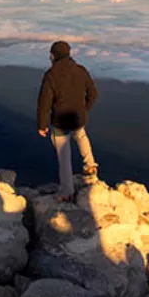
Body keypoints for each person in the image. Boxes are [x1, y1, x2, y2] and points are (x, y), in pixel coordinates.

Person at [37, 40, 100, 202]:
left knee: (64, 156)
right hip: (78, 117)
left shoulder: (51, 75)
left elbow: (44, 102)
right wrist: (84, 109)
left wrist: (42, 125)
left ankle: (67, 191)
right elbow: (93, 93)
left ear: (53, 55)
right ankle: (90, 166)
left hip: (60, 121)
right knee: (81, 136)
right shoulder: (81, 70)